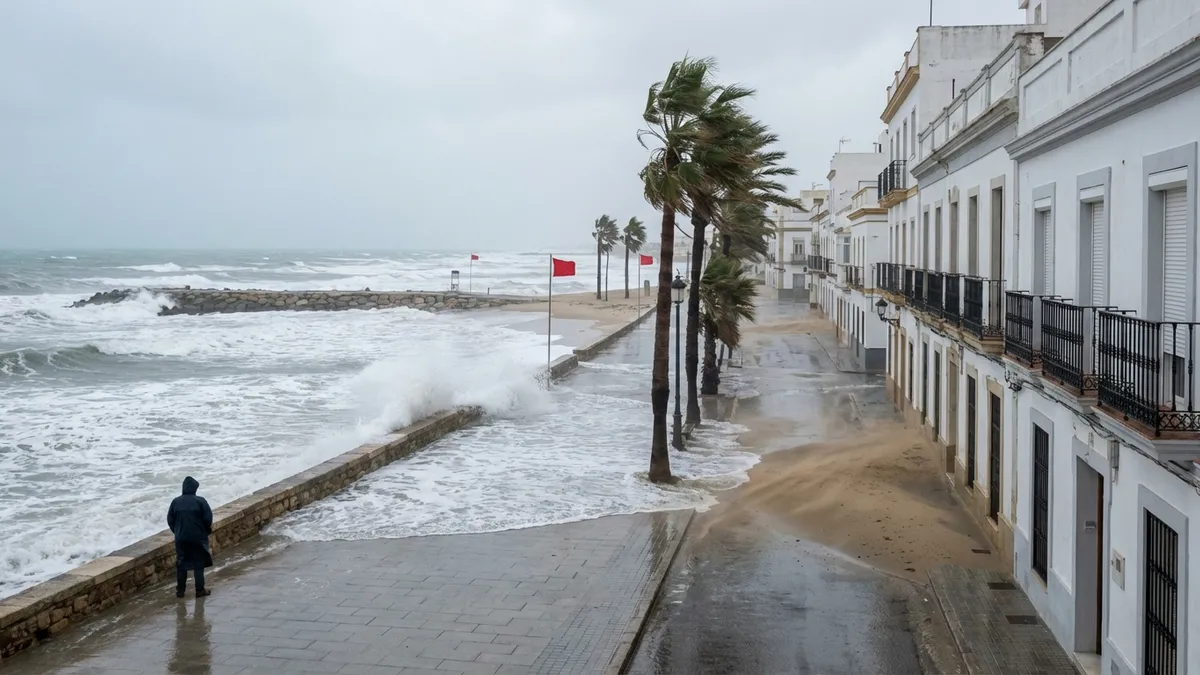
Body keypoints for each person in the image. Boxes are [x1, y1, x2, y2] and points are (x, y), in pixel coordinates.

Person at [167, 476, 214, 598]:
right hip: (198, 538)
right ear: (194, 489)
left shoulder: (175, 502)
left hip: (181, 538)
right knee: (198, 563)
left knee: (181, 563)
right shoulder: (200, 501)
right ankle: (199, 590)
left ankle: (180, 591)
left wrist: (177, 532)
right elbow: (208, 519)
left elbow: (170, 520)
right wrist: (205, 531)